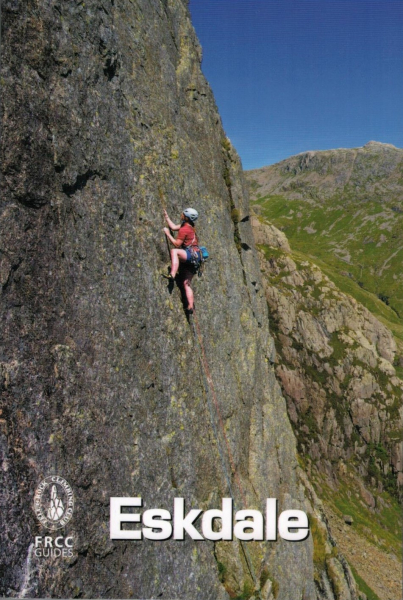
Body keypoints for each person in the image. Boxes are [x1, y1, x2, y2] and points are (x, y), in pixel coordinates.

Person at [163, 207, 200, 314]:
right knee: (186, 284)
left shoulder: (184, 229)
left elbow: (176, 244)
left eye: (183, 213)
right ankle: (190, 306)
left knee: (174, 251)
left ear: (187, 217)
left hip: (190, 255)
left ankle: (173, 274)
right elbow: (174, 227)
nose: (181, 214)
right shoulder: (189, 226)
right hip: (196, 258)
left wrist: (167, 234)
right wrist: (166, 217)